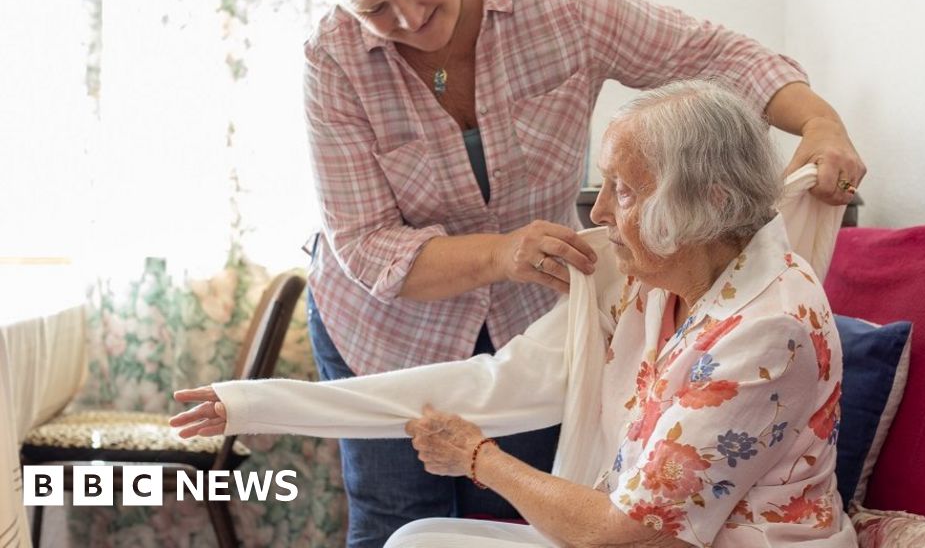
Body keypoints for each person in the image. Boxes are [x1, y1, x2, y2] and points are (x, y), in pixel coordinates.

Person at [302, 0, 864, 544]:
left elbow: (715, 55)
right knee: (393, 520)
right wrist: (242, 404)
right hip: (388, 323)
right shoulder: (333, 59)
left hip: (532, 299)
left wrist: (821, 123)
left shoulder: (559, 4)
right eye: (374, 10)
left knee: (498, 511)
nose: (407, 16)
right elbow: (367, 246)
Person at [173, 79, 858, 546]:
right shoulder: (649, 278)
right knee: (416, 537)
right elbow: (487, 385)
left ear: (707, 203)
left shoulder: (768, 328)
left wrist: (478, 458)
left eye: (621, 191)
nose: (596, 214)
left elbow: (621, 532)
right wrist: (251, 404)